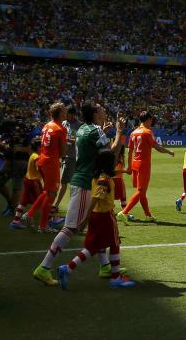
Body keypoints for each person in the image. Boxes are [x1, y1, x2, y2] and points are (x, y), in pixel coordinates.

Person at [33, 103, 126, 286]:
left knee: (95, 228)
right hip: (85, 183)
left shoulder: (84, 128)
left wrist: (103, 132)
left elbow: (92, 149)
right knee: (71, 228)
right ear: (94, 113)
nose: (104, 110)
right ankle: (44, 267)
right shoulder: (96, 131)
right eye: (101, 109)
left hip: (81, 179)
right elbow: (111, 155)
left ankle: (105, 265)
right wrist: (118, 132)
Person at [58, 149, 136, 289]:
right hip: (104, 216)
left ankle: (67, 268)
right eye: (113, 161)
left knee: (92, 247)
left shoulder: (98, 176)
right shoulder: (104, 180)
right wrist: (84, 219)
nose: (115, 162)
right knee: (114, 244)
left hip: (96, 215)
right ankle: (116, 277)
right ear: (108, 163)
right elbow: (95, 198)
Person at [119, 111, 174, 223]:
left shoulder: (133, 133)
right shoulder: (147, 132)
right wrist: (169, 151)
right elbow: (157, 147)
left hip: (135, 163)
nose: (151, 122)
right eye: (151, 120)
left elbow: (129, 151)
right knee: (141, 191)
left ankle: (148, 215)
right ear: (148, 120)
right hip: (143, 164)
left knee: (142, 191)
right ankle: (124, 212)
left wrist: (129, 166)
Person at [24, 102, 67, 232]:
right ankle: (43, 226)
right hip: (51, 163)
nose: (66, 112)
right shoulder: (60, 129)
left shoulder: (47, 126)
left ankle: (29, 214)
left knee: (47, 191)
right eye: (64, 110)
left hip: (43, 159)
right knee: (52, 193)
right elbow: (63, 152)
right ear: (60, 113)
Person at [9, 138, 42, 229]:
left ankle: (16, 221)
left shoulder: (33, 155)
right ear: (39, 147)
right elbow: (40, 169)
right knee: (41, 200)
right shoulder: (37, 157)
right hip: (33, 181)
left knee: (24, 201)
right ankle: (48, 220)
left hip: (27, 180)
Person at [54, 105, 81, 212]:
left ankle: (56, 205)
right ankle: (73, 205)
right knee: (67, 181)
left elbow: (79, 141)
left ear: (73, 114)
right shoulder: (64, 123)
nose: (65, 116)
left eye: (67, 114)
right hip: (64, 156)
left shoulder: (79, 125)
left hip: (72, 157)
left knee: (64, 181)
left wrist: (68, 140)